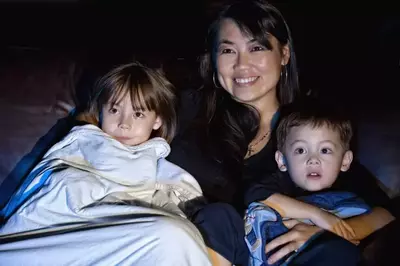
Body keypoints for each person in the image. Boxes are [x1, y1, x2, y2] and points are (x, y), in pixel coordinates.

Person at [167, 1, 395, 265]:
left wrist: (336, 231)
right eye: (228, 50)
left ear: (284, 54)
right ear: (214, 59)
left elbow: (382, 207)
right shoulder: (188, 109)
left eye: (256, 48)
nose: (242, 64)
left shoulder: (309, 129)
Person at [0, 62, 211, 266]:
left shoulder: (165, 171)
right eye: (114, 110)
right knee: (173, 237)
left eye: (138, 114)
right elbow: (46, 196)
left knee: (175, 237)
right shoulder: (81, 143)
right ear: (100, 111)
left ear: (157, 121)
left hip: (117, 247)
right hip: (54, 241)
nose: (124, 124)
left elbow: (187, 206)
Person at [244, 99, 371, 266]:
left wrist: (331, 232)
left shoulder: (354, 181)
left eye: (325, 150)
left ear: (345, 160)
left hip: (332, 254)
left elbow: (387, 215)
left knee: (340, 251)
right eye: (301, 150)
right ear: (282, 160)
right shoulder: (281, 181)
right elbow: (255, 194)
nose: (313, 160)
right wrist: (317, 215)